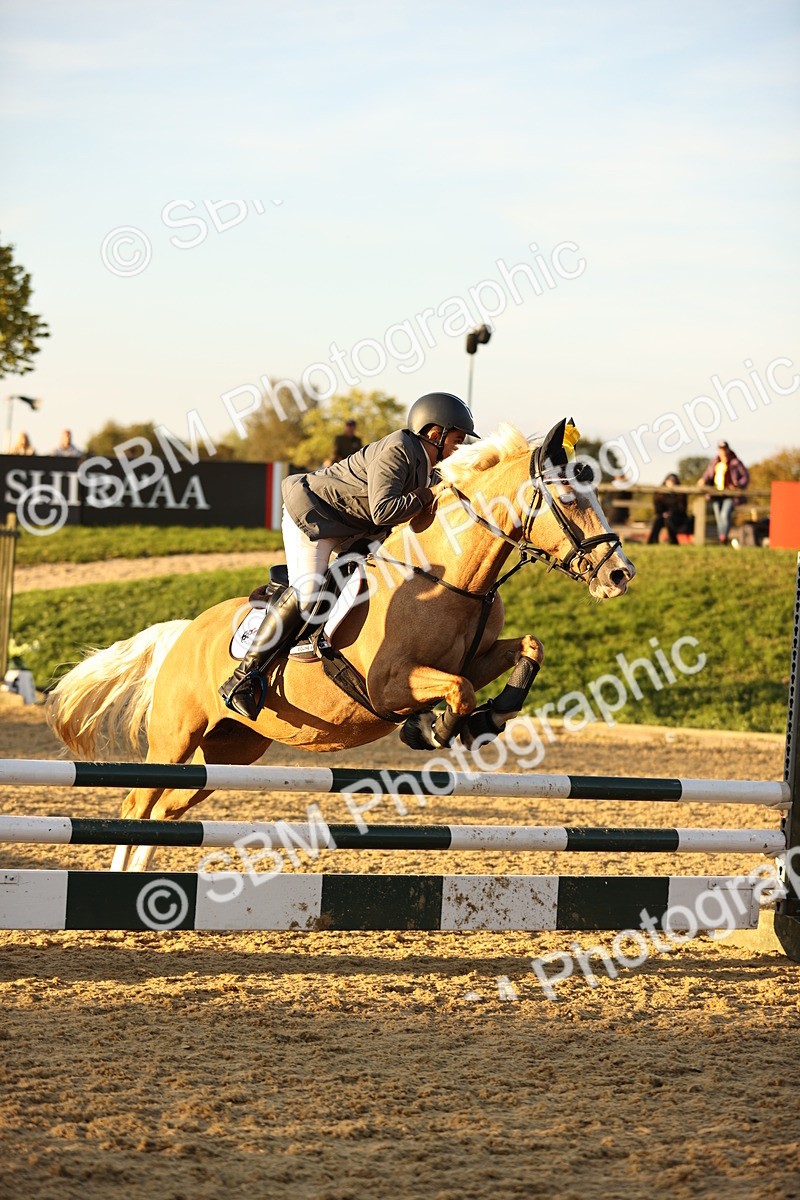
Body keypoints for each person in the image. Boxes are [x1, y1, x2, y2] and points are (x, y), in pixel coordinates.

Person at [220, 392, 479, 719]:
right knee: (308, 596)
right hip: (314, 516)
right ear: (434, 433)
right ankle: (243, 676)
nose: (459, 447)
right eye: (456, 439)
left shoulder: (431, 468)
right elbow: (384, 510)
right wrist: (429, 494)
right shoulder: (399, 448)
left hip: (357, 529)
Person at [701, 441, 749, 544]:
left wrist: (737, 485)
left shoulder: (735, 462)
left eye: (724, 449)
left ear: (727, 449)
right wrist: (703, 480)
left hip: (730, 494)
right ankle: (722, 537)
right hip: (715, 494)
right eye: (720, 449)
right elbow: (708, 474)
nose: (722, 451)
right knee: (719, 517)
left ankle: (724, 537)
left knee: (724, 515)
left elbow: (745, 477)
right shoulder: (715, 462)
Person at [648, 474, 688, 545]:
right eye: (669, 480)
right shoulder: (659, 494)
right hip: (663, 516)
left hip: (677, 517)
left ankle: (673, 542)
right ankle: (652, 541)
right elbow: (657, 508)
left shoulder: (681, 494)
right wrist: (663, 513)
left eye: (673, 480)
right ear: (665, 481)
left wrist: (671, 513)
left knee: (669, 519)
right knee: (658, 520)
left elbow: (682, 509)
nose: (671, 482)